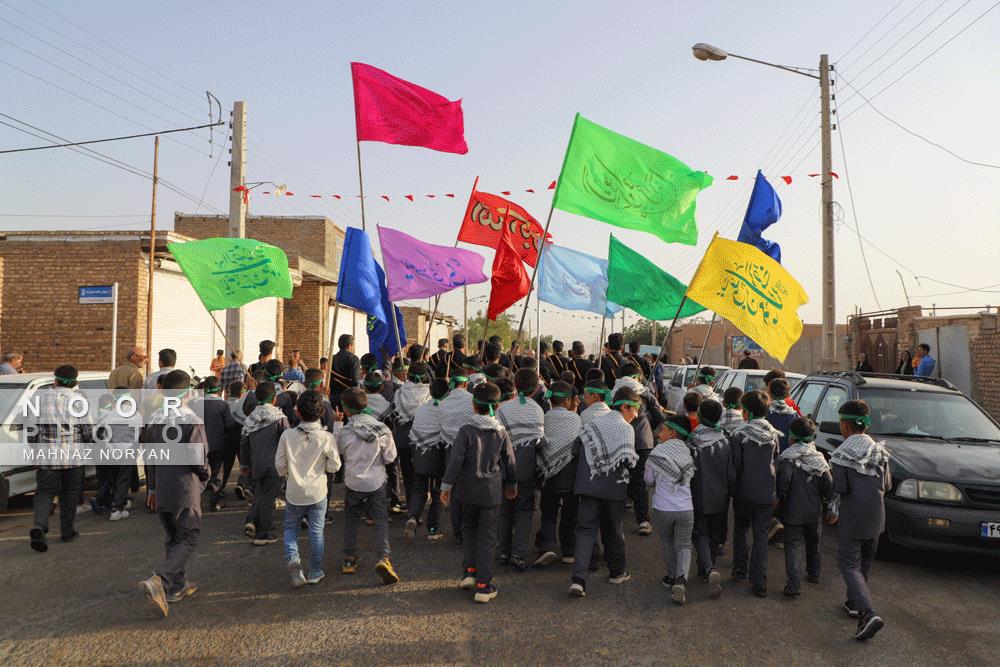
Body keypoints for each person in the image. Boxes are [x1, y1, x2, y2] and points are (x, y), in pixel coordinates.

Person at [140, 369, 210, 618]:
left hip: (163, 487)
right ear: (187, 393)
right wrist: (206, 475)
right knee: (189, 536)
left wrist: (153, 488)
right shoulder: (191, 419)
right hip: (184, 487)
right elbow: (198, 457)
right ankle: (161, 578)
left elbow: (150, 458)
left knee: (173, 538)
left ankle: (176, 588)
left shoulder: (156, 419)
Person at [441, 381, 517, 604]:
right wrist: (512, 485)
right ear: (498, 406)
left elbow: (455, 461)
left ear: (473, 405)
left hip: (466, 491)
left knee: (469, 529)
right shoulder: (501, 432)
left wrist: (446, 487)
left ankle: (469, 572)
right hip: (491, 493)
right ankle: (484, 585)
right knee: (487, 537)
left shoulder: (465, 431)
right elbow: (510, 462)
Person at [568, 385, 640, 598]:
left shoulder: (592, 423)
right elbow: (628, 461)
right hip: (613, 489)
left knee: (584, 531)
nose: (635, 415)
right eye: (634, 409)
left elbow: (575, 449)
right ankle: (617, 572)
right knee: (614, 531)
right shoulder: (625, 429)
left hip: (588, 487)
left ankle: (578, 579)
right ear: (625, 406)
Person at [831, 400, 890, 641]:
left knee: (848, 564)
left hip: (852, 517)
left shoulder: (841, 454)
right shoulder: (880, 451)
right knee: (865, 561)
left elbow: (840, 487)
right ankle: (854, 603)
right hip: (876, 517)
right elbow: (887, 484)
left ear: (844, 425)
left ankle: (867, 612)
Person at [276, 390, 342, 588]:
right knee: (316, 532)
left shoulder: (287, 436)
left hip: (294, 492)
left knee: (290, 529)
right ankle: (315, 570)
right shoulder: (326, 437)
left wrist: (290, 473)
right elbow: (336, 465)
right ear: (322, 413)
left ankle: (293, 559)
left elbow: (279, 466)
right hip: (318, 492)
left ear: (297, 412)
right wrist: (324, 469)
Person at [335, 387, 400, 585]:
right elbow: (390, 458)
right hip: (376, 482)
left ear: (346, 410)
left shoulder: (345, 431)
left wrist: (337, 423)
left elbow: (335, 450)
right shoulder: (382, 429)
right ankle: (384, 558)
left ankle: (349, 559)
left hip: (353, 482)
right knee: (381, 519)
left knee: (352, 519)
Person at [26, 365, 94, 552]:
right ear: (75, 381)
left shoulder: (39, 398)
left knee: (44, 492)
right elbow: (88, 431)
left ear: (55, 380)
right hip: (73, 457)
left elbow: (31, 431)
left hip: (47, 456)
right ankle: (67, 532)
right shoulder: (79, 400)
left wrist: (34, 449)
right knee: (70, 494)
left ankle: (39, 525)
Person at [730, 390, 781, 598]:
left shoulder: (739, 434)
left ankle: (740, 570)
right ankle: (759, 583)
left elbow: (735, 466)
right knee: (761, 535)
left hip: (743, 491)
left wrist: (732, 491)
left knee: (741, 529)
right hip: (766, 492)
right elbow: (776, 463)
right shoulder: (773, 434)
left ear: (747, 412)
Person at [777, 417, 834, 598]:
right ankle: (814, 573)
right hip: (813, 512)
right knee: (813, 542)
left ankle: (794, 584)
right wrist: (829, 506)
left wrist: (780, 498)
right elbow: (828, 484)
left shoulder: (788, 457)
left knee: (792, 545)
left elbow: (783, 483)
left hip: (793, 510)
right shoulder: (819, 459)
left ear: (792, 437)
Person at [496, 369, 545, 572]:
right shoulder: (537, 410)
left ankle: (503, 551)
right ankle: (518, 553)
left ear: (515, 384)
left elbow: (497, 437)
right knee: (524, 511)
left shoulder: (502, 409)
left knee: (505, 510)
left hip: (504, 468)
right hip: (527, 468)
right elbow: (540, 442)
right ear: (535, 389)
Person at [645, 414, 696, 605]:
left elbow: (649, 480)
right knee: (683, 544)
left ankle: (671, 576)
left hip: (663, 508)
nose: (659, 433)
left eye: (663, 429)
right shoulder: (689, 451)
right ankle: (681, 580)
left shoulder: (658, 452)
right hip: (686, 508)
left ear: (673, 433)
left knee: (667, 542)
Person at [534, 381, 580, 567]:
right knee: (570, 513)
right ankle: (568, 550)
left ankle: (547, 547)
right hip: (570, 472)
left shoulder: (544, 417)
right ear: (568, 400)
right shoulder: (576, 419)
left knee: (549, 511)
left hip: (548, 473)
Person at [688, 400, 729, 599]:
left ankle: (709, 568)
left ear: (700, 416)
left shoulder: (693, 440)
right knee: (714, 533)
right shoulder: (726, 439)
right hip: (721, 496)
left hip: (699, 495)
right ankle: (705, 570)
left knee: (699, 533)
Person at [240, 382, 290, 546]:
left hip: (256, 464)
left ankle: (252, 520)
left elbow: (244, 444)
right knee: (269, 497)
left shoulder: (250, 419)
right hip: (275, 464)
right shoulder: (280, 419)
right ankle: (263, 533)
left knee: (260, 493)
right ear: (274, 399)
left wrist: (244, 465)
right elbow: (287, 441)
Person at [405, 378, 449, 541]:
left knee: (419, 487)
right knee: (438, 491)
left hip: (419, 452)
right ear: (448, 392)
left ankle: (413, 517)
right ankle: (432, 529)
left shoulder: (422, 409)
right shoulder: (447, 409)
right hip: (437, 454)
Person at [392, 361, 432, 519]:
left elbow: (393, 414)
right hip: (423, 441)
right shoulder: (429, 394)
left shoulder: (399, 393)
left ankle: (411, 509)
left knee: (408, 476)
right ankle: (418, 511)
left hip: (403, 440)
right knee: (421, 477)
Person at [439, 369, 475, 543]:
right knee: (468, 489)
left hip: (449, 449)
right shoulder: (472, 401)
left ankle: (457, 532)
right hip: (470, 450)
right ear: (466, 383)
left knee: (453, 491)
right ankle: (468, 529)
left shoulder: (443, 402)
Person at [193, 377, 236, 512]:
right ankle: (215, 500)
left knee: (199, 471)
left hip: (198, 444)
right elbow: (229, 424)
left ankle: (195, 500)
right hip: (218, 444)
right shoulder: (223, 405)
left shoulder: (195, 404)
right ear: (220, 390)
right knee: (216, 472)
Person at [766, 378, 797, 452]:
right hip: (788, 458)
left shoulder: (764, 413)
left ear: (769, 393)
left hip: (769, 457)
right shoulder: (793, 415)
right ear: (787, 394)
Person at [329, 334, 361, 405]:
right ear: (349, 346)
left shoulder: (331, 359)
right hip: (348, 399)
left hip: (333, 397)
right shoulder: (354, 359)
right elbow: (355, 381)